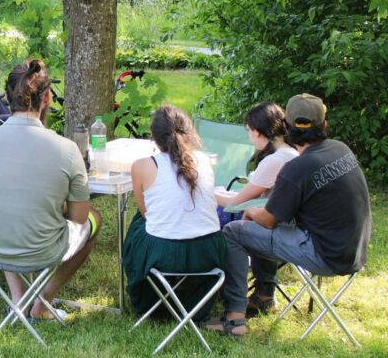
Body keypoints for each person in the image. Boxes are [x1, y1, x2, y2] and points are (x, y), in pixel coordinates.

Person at [207, 93, 372, 337]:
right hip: (354, 251)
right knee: (258, 230)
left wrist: (251, 210)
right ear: (324, 125)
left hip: (324, 254)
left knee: (235, 231)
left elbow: (269, 220)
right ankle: (264, 296)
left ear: (286, 127)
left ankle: (234, 318)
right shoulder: (341, 149)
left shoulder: (295, 168)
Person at [0, 59, 101, 320]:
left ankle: (19, 302)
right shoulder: (66, 148)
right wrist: (54, 203)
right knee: (94, 219)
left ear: (7, 99)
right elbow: (78, 218)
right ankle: (42, 304)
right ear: (47, 99)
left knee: (6, 210)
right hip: (43, 250)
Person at [122, 104, 226, 322]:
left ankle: (147, 299)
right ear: (188, 132)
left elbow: (145, 212)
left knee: (138, 223)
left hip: (165, 256)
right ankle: (189, 301)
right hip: (208, 253)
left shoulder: (142, 166)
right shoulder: (205, 160)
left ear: (154, 138)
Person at [215, 102, 299, 234]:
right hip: (287, 218)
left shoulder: (274, 161)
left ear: (257, 132)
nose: (249, 136)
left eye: (249, 130)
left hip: (277, 225)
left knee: (212, 211)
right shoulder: (292, 151)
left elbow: (234, 204)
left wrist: (205, 193)